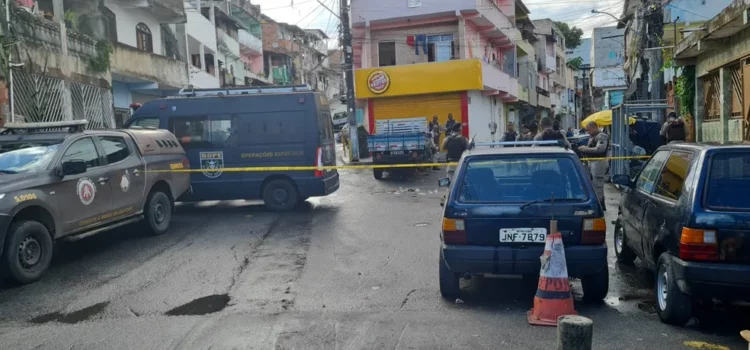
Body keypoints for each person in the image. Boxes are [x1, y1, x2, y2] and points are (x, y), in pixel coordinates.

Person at [576, 121, 610, 211]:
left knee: (598, 184)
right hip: (593, 162)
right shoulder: (593, 137)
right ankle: (599, 203)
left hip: (599, 163)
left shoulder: (601, 136)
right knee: (593, 185)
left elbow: (600, 149)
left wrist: (585, 149)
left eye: (589, 129)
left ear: (594, 127)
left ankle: (600, 204)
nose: (588, 132)